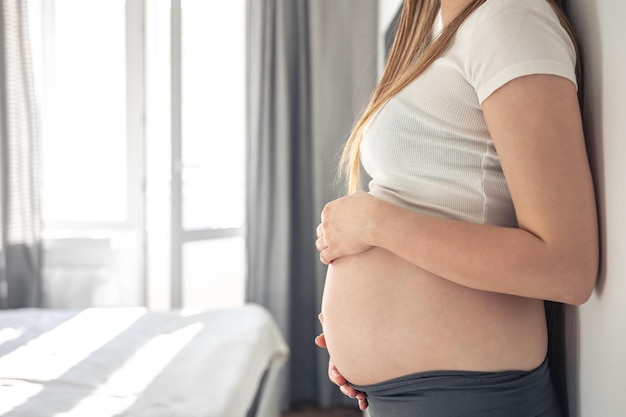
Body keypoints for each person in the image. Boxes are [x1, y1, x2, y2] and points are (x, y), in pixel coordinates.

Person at [314, 0, 599, 416]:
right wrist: (360, 344)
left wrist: (375, 224)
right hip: (398, 400)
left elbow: (567, 267)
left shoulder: (509, 19)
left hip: (471, 396)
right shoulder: (432, 33)